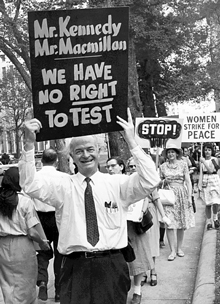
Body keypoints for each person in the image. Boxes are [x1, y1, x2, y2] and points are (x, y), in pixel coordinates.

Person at [18, 108, 161, 304]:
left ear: (100, 152)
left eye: (90, 149)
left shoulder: (118, 184)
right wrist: (28, 144)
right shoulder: (63, 186)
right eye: (79, 151)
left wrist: (132, 142)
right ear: (72, 157)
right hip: (75, 267)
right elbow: (29, 184)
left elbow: (151, 180)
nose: (85, 155)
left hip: (111, 265)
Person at [106, 156, 154, 304]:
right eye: (107, 167)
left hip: (132, 225)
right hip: (114, 226)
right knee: (117, 260)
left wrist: (140, 212)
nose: (110, 169)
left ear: (121, 167)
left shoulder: (130, 180)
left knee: (137, 256)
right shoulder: (105, 183)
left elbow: (145, 195)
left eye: (113, 166)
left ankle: (137, 290)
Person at [0, 167, 50, 304]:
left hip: (2, 245)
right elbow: (32, 232)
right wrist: (42, 243)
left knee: (7, 282)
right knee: (25, 283)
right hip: (22, 246)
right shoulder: (24, 202)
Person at [34, 148, 68, 302]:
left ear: (42, 160)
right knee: (60, 253)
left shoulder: (35, 177)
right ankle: (60, 290)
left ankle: (42, 280)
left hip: (40, 217)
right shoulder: (64, 177)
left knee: (42, 252)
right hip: (58, 216)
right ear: (56, 161)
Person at [160, 144, 195, 261]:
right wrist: (164, 180)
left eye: (172, 152)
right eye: (169, 152)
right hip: (168, 195)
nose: (170, 154)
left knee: (180, 223)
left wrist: (189, 197)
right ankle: (172, 251)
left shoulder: (183, 164)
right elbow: (158, 182)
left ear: (176, 153)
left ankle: (179, 248)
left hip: (181, 194)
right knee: (169, 223)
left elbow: (188, 181)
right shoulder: (163, 166)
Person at [199, 143, 220, 230]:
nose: (207, 152)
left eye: (209, 150)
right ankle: (209, 221)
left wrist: (204, 162)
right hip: (205, 180)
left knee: (215, 202)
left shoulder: (214, 159)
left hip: (214, 180)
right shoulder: (201, 161)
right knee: (208, 204)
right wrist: (199, 185)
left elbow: (212, 170)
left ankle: (215, 218)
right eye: (206, 150)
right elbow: (201, 173)